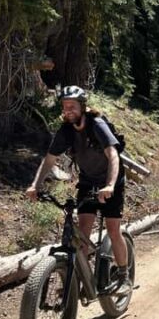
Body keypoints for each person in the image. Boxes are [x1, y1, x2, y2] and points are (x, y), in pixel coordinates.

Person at [25, 85, 130, 295]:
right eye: (65, 106)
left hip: (112, 182)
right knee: (82, 233)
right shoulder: (66, 131)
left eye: (72, 106)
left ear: (82, 107)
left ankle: (123, 275)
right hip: (88, 181)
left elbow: (113, 155)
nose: (68, 110)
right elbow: (49, 160)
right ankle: (77, 284)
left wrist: (110, 185)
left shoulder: (97, 125)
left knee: (112, 230)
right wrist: (35, 185)